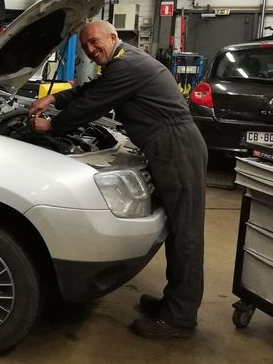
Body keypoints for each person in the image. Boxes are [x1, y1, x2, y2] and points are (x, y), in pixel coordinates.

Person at [28, 20, 207, 339]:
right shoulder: (123, 62)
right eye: (86, 47)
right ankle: (174, 303)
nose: (91, 50)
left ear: (113, 36)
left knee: (186, 234)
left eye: (95, 42)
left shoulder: (128, 66)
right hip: (169, 146)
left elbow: (92, 104)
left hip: (176, 148)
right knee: (177, 229)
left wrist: (52, 128)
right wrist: (52, 100)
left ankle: (179, 318)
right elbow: (91, 89)